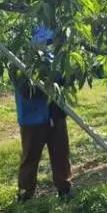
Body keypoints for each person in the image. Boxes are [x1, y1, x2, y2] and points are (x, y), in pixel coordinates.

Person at [9, 24, 72, 202]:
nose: (46, 44)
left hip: (56, 114)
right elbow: (27, 91)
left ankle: (64, 188)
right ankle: (25, 193)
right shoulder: (18, 63)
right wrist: (50, 83)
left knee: (60, 153)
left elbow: (64, 80)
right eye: (43, 40)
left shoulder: (52, 58)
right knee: (30, 156)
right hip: (33, 117)